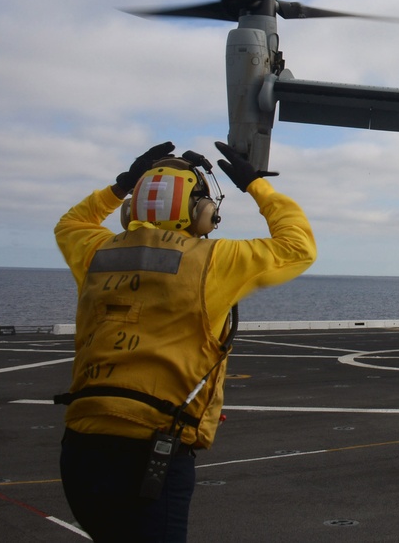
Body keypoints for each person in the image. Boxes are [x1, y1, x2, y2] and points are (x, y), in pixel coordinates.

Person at [53, 141, 316, 542]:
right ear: (202, 212)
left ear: (131, 209)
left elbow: (70, 224)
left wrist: (120, 185)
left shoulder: (97, 252)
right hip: (151, 452)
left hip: (81, 449)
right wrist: (256, 186)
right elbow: (298, 247)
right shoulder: (212, 260)